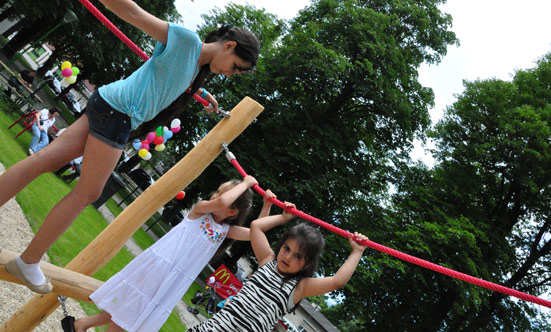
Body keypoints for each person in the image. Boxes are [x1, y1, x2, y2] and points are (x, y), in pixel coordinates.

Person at [1, 0, 260, 294]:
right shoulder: (187, 41)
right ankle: (29, 260)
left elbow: (168, 76)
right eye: (236, 68)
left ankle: (28, 260)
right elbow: (134, 13)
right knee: (88, 192)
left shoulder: (194, 65)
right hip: (118, 114)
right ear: (229, 46)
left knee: (43, 161)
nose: (230, 73)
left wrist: (204, 94)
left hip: (110, 102)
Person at [72, 177, 275, 332]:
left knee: (133, 308)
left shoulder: (224, 231)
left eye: (222, 194)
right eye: (217, 192)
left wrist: (268, 206)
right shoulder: (201, 210)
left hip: (173, 279)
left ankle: (82, 324)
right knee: (133, 310)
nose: (216, 196)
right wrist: (245, 184)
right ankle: (83, 324)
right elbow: (222, 202)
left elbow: (256, 232)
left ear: (232, 213)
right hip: (161, 265)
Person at [187, 198, 368, 332]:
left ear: (307, 264)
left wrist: (357, 252)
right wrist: (282, 217)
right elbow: (256, 227)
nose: (287, 257)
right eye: (286, 248)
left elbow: (337, 281)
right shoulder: (267, 260)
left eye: (298, 256)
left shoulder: (300, 287)